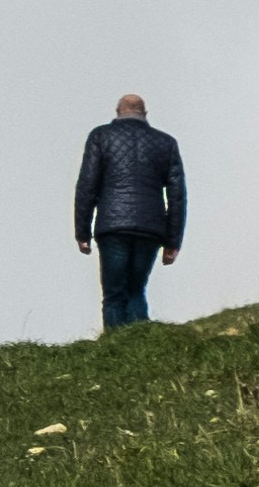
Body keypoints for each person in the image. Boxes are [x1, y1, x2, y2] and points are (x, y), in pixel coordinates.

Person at [74, 92, 187, 332]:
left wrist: (82, 232)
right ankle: (141, 343)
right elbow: (177, 195)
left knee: (114, 293)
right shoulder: (166, 143)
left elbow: (87, 185)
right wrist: (173, 240)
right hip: (150, 227)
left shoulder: (100, 136)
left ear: (118, 112)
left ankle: (115, 346)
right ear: (145, 114)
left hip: (112, 225)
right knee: (136, 289)